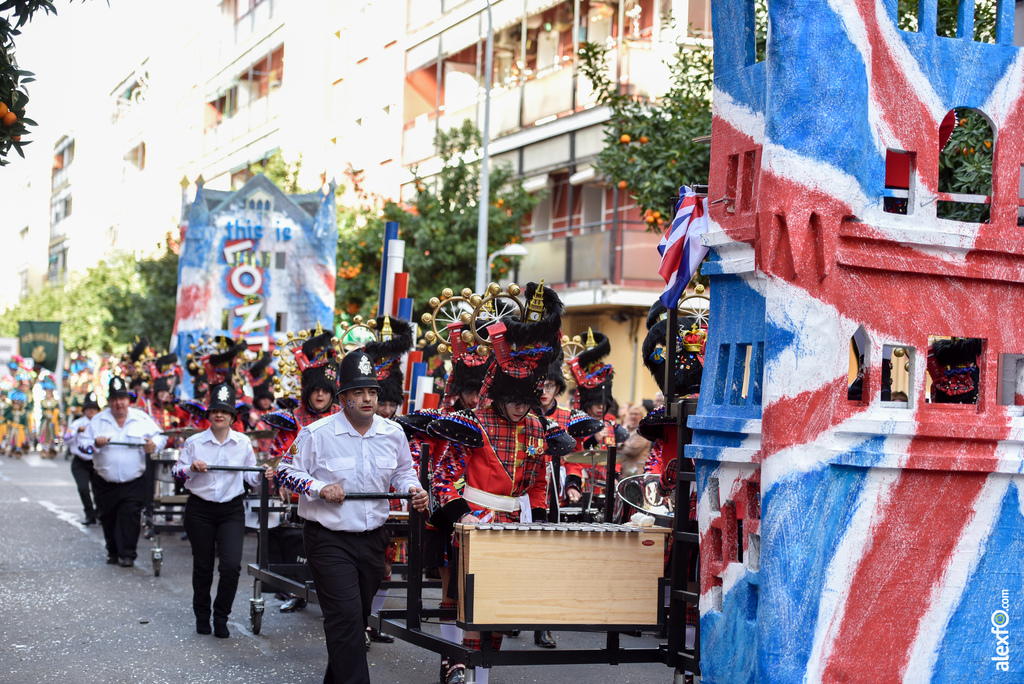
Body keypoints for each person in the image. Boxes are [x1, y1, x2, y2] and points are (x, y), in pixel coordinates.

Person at [431, 281, 561, 684]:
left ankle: (479, 674)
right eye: (515, 400)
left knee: (500, 608)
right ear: (502, 395)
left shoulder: (540, 429)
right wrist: (461, 517)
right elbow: (442, 478)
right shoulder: (474, 422)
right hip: (472, 523)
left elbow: (538, 483)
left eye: (527, 401)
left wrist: (537, 517)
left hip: (513, 526)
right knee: (463, 602)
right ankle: (459, 666)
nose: (522, 407)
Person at [277, 349, 428, 684]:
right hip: (328, 539)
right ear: (342, 397)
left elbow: (403, 472)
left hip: (374, 538)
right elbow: (284, 471)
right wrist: (318, 487)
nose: (367, 398)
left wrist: (414, 488)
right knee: (345, 620)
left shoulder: (393, 433)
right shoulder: (316, 433)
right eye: (358, 392)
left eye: (372, 392)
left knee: (355, 620)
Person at [173, 383, 274, 638]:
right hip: (199, 510)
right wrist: (190, 469)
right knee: (203, 565)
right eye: (215, 410)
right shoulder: (194, 442)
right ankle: (202, 615)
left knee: (231, 566)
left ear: (232, 417)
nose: (220, 415)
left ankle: (221, 616)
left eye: (225, 412)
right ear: (209, 415)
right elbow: (177, 471)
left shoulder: (242, 443)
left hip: (231, 510)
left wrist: (265, 475)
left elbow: (252, 478)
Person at [364, 314, 415, 645]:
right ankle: (360, 621)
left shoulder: (401, 430)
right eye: (381, 402)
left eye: (390, 403)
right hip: (363, 508)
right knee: (369, 571)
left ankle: (369, 623)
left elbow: (407, 469)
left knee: (385, 571)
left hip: (394, 509)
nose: (385, 409)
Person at [80, 376, 167, 567]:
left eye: (122, 399)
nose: (119, 403)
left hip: (134, 479)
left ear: (129, 400)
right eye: (114, 400)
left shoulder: (141, 419)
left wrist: (153, 445)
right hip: (104, 480)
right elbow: (83, 445)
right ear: (109, 402)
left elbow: (160, 437)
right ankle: (112, 551)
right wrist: (95, 444)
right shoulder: (98, 421)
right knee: (108, 516)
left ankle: (128, 554)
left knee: (130, 515)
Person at [66, 391, 101, 525]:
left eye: (94, 408)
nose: (91, 411)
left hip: (96, 461)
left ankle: (100, 512)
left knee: (99, 490)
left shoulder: (102, 424)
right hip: (80, 462)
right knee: (83, 488)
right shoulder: (77, 424)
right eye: (89, 408)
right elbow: (66, 439)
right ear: (84, 410)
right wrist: (76, 432)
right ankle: (89, 513)